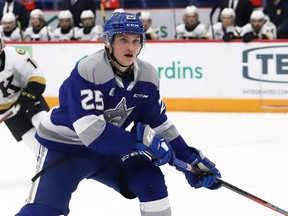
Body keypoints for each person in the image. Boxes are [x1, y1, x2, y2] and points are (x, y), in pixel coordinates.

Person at [15, 12, 222, 216]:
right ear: (108, 42)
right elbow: (92, 133)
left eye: (135, 40)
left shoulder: (148, 76)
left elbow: (159, 124)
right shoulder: (90, 69)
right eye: (123, 40)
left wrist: (191, 161)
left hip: (112, 148)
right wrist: (143, 143)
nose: (130, 47)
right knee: (42, 211)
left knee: (150, 180)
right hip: (66, 148)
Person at [0, 34, 49, 157]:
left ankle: (67, 154)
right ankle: (49, 165)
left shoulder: (16, 56)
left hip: (29, 98)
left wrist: (26, 98)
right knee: (32, 141)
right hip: (6, 111)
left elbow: (38, 79)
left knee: (43, 124)